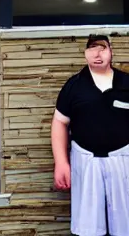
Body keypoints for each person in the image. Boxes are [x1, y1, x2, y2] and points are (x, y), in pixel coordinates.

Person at [51, 34, 129, 236]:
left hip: (122, 160)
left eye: (103, 48)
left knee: (126, 225)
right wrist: (61, 163)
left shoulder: (126, 83)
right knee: (88, 227)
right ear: (85, 54)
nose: (97, 53)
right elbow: (59, 123)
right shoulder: (74, 86)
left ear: (111, 52)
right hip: (85, 160)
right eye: (92, 48)